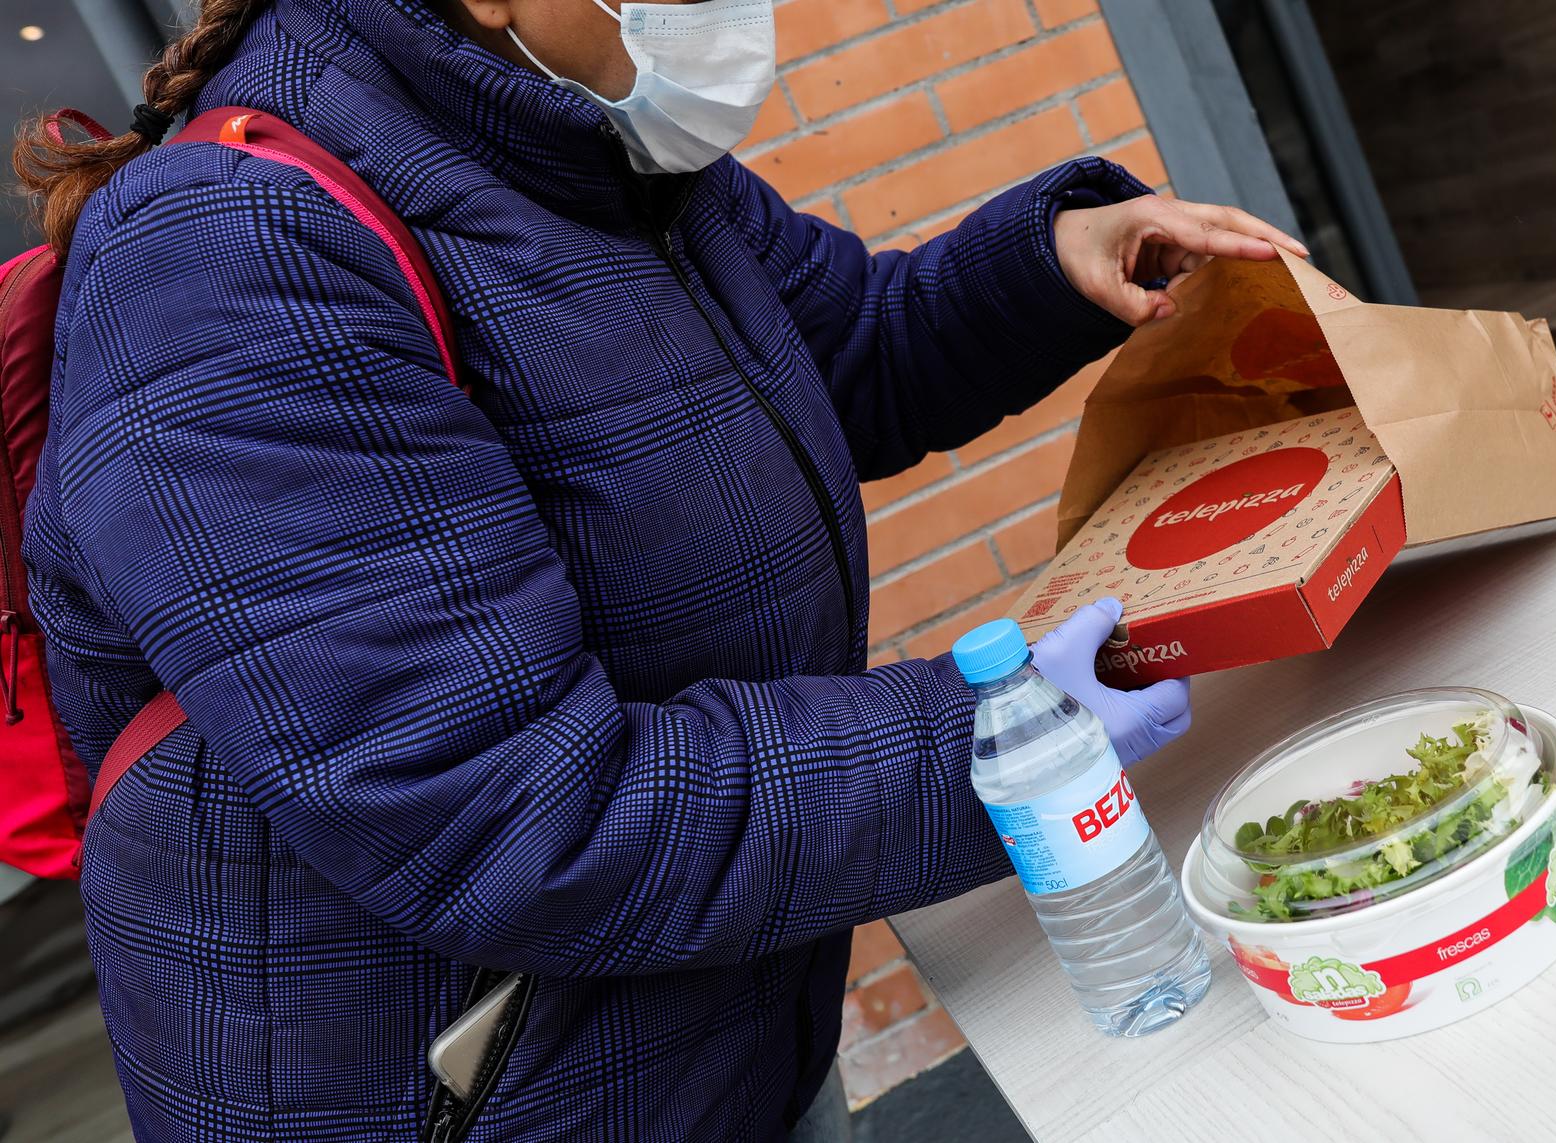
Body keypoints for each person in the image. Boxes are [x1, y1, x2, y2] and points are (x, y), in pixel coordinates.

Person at [10, 0, 1305, 1139]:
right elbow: (509, 814)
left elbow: (842, 352)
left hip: (714, 1035)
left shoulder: (586, 136)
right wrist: (1008, 739)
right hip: (481, 1101)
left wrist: (1051, 266)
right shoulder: (232, 258)